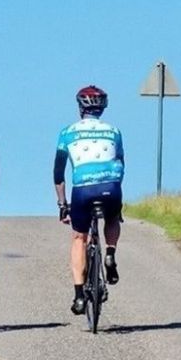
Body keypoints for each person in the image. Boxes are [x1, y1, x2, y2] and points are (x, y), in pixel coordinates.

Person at [54, 85, 124, 315]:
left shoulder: (67, 132)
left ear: (80, 108)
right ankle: (110, 254)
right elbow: (121, 162)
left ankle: (78, 297)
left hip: (82, 189)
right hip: (111, 186)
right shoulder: (114, 131)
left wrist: (63, 205)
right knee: (113, 218)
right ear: (102, 108)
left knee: (78, 238)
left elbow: (58, 172)